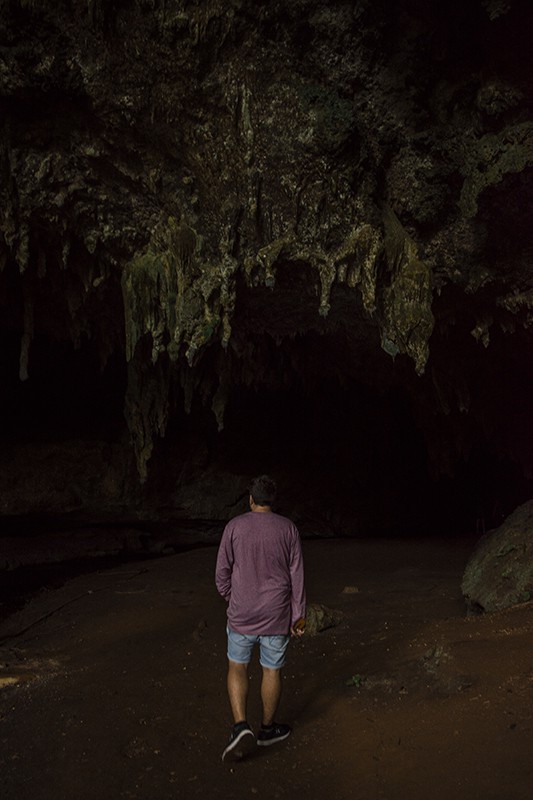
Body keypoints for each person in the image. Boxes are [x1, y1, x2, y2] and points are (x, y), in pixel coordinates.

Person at [215, 474, 306, 762]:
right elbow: (298, 577)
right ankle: (267, 730)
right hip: (276, 615)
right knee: (271, 671)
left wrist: (234, 597)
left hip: (242, 615)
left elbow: (221, 574)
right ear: (272, 501)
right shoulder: (288, 528)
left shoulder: (234, 527)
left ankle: (240, 726)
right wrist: (299, 617)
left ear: (251, 500)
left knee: (237, 666)